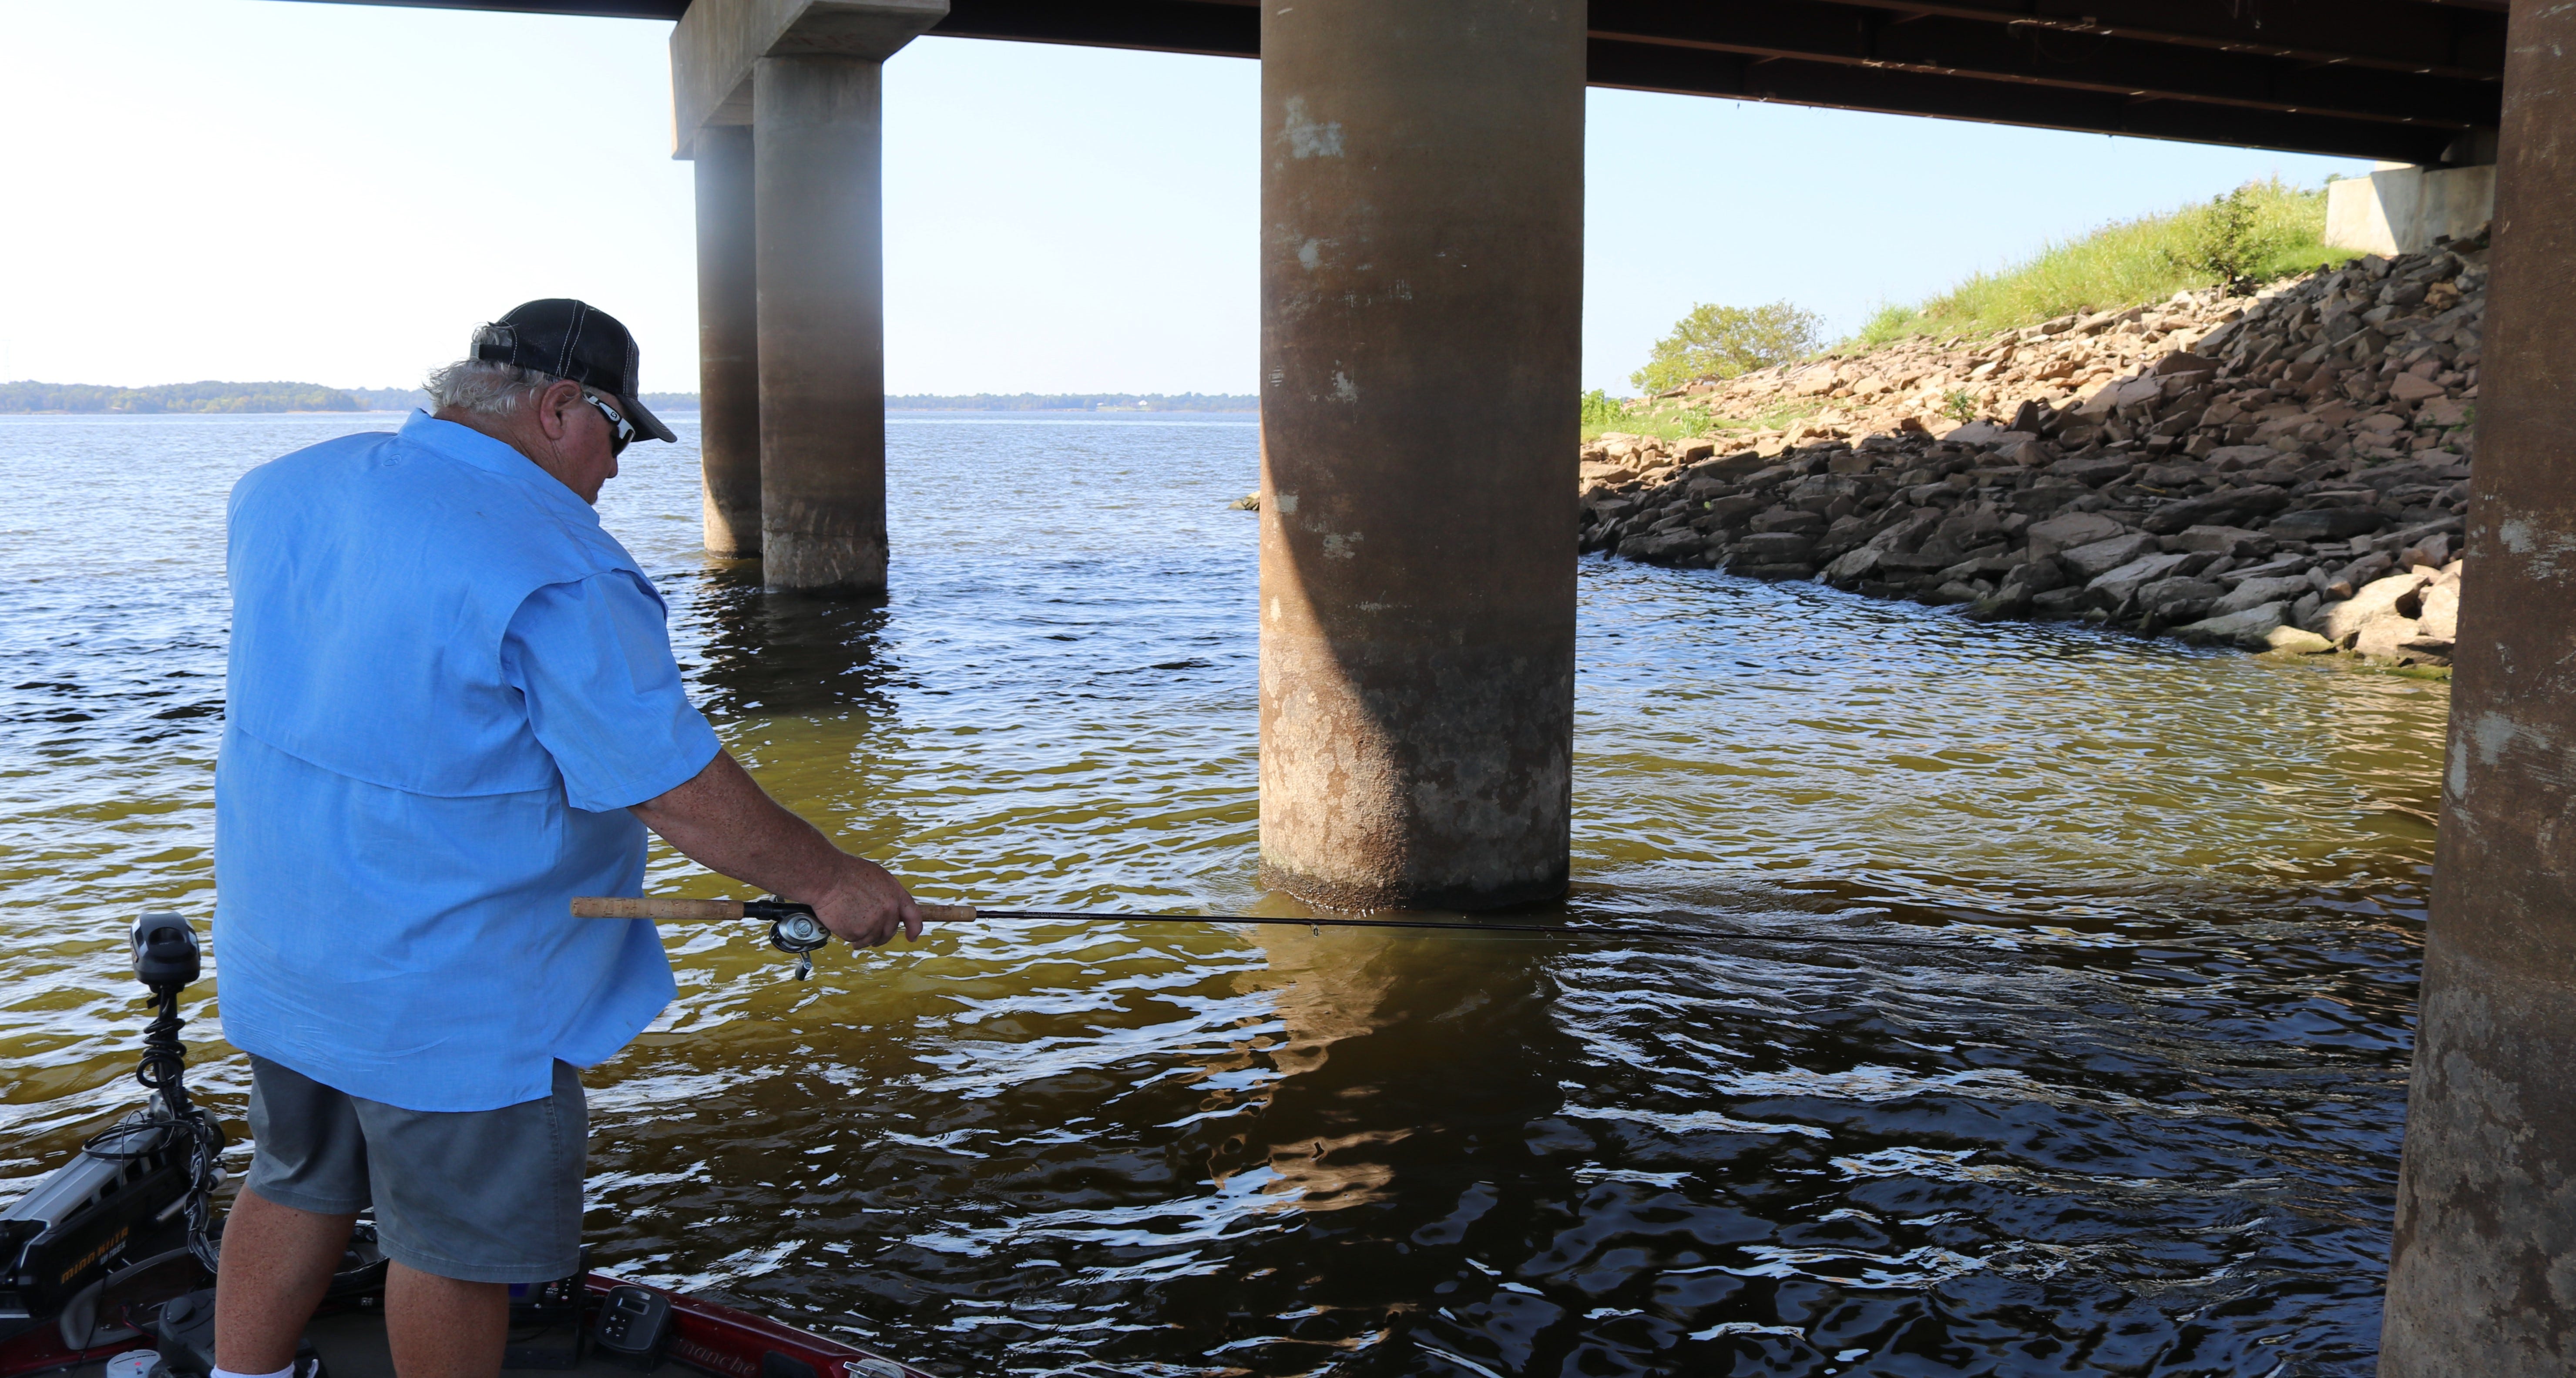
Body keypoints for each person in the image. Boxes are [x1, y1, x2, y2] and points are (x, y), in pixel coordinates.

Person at [209, 299, 921, 1378]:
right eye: (619, 432)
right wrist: (830, 877)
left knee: (292, 1174)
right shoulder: (558, 566)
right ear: (558, 408)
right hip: (451, 990)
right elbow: (670, 785)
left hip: (285, 944)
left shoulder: (284, 489)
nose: (620, 467)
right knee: (452, 1247)